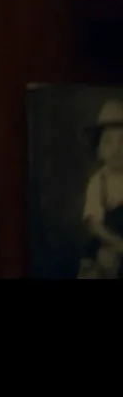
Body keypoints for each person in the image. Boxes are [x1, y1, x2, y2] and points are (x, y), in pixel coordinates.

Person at [78, 98, 123, 279]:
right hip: (107, 241)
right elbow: (94, 224)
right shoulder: (99, 181)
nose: (117, 149)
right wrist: (117, 243)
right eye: (108, 141)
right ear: (99, 150)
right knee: (106, 261)